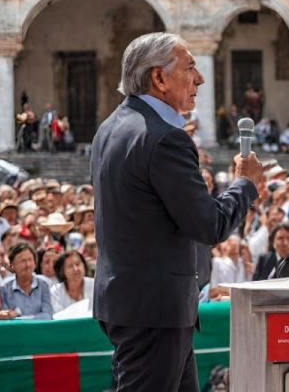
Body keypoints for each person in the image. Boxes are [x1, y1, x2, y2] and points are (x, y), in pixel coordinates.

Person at [90, 32, 261, 391]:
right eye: (190, 67)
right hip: (155, 310)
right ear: (159, 77)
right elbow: (209, 224)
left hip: (135, 302)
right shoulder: (164, 137)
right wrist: (245, 185)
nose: (199, 79)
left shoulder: (111, 128)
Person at [0, 243, 53, 320]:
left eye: (30, 259)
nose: (28, 264)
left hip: (40, 329)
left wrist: (19, 317)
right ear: (12, 265)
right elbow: (6, 318)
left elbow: (47, 315)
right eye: (23, 261)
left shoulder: (44, 283)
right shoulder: (5, 287)